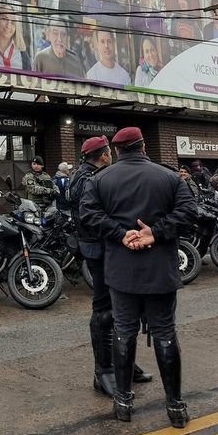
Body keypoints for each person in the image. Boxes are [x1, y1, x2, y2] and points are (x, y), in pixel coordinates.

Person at [80, 127, 198, 427]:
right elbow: (189, 213)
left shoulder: (100, 179)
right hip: (160, 270)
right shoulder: (170, 177)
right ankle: (175, 407)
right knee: (165, 332)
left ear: (116, 151)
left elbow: (89, 215)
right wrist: (154, 233)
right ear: (143, 146)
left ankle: (123, 403)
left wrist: (121, 235)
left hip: (121, 272)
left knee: (124, 331)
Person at [70, 135, 151, 399]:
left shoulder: (89, 174)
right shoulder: (88, 179)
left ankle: (122, 363)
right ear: (104, 155)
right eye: (109, 153)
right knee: (105, 309)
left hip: (105, 247)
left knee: (121, 309)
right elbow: (93, 218)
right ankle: (103, 370)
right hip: (100, 249)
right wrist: (121, 233)